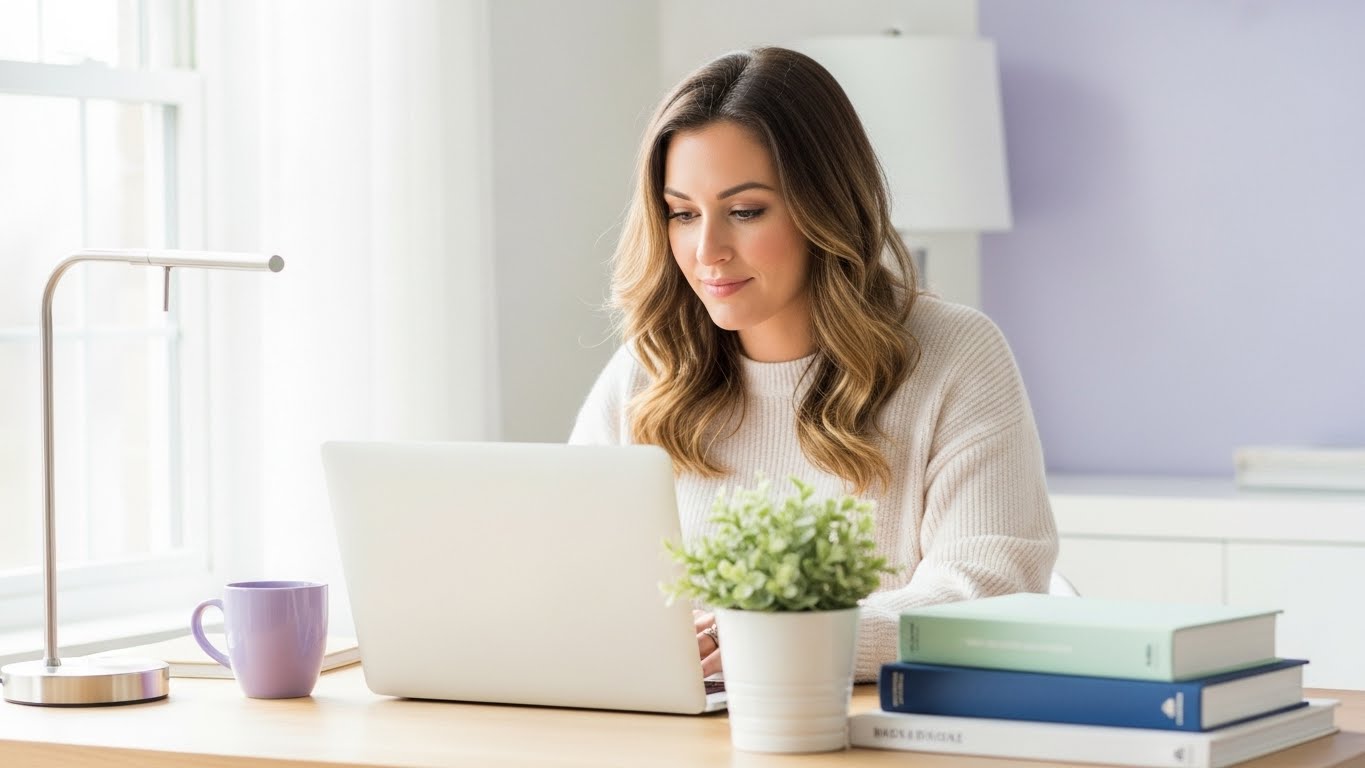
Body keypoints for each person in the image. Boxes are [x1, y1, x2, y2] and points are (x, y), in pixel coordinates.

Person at [569, 46, 1058, 683]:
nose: (707, 250)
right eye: (683, 214)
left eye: (745, 211)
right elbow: (571, 579)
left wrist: (784, 642)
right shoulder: (649, 368)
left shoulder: (955, 356)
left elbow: (993, 591)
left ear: (823, 206)